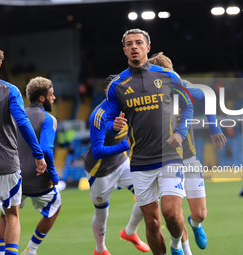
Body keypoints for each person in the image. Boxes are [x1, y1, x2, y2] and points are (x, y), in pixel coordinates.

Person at [105, 29, 194, 255]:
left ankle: (175, 245)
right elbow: (107, 120)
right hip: (140, 162)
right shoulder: (117, 85)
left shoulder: (168, 76)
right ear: (124, 50)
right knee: (152, 223)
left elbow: (188, 106)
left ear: (147, 47)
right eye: (129, 44)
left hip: (169, 157)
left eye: (138, 43)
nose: (134, 46)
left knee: (172, 214)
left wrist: (181, 133)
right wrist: (112, 125)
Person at [0, 42, 47, 255]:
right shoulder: (10, 89)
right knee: (12, 215)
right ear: (0, 63)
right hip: (8, 165)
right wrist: (38, 154)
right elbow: (23, 122)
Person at [149, 52, 227, 254]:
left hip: (189, 158)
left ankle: (196, 225)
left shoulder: (181, 88)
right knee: (174, 211)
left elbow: (207, 94)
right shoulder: (146, 92)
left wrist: (214, 127)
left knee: (200, 213)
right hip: (165, 161)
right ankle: (181, 248)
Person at [83, 74, 150, 255]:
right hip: (100, 170)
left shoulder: (131, 106)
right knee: (102, 214)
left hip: (122, 162)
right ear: (107, 92)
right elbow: (97, 150)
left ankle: (130, 232)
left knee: (149, 196)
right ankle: (100, 249)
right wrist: (124, 145)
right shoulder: (99, 115)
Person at [0, 77, 61, 255]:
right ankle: (31, 250)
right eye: (51, 94)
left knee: (6, 214)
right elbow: (46, 149)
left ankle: (2, 253)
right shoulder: (49, 119)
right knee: (55, 205)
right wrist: (54, 176)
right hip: (38, 180)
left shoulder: (15, 117)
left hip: (13, 177)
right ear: (42, 98)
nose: (54, 98)